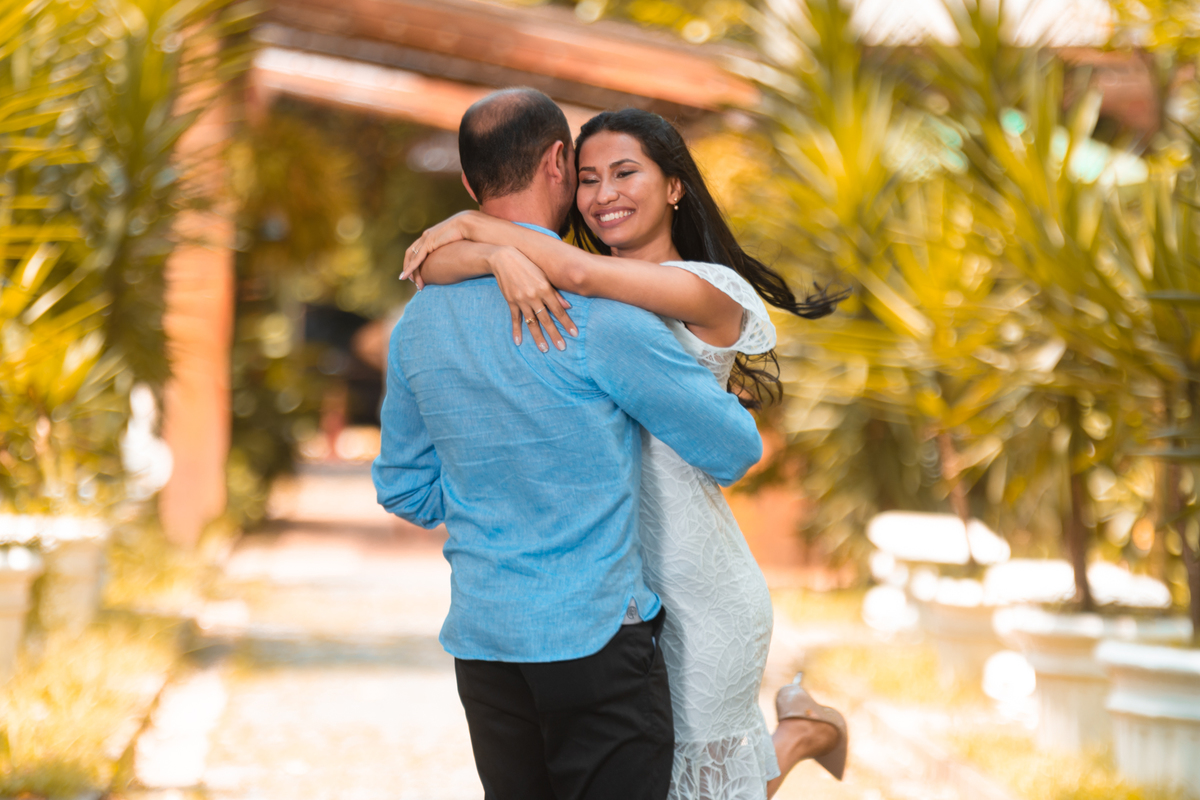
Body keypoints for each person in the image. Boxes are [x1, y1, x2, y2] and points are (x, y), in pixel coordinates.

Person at [403, 106, 850, 800]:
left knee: (698, 788)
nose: (604, 193)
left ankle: (801, 735)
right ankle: (800, 731)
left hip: (696, 582)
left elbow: (575, 275)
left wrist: (481, 234)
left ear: (675, 186)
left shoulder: (698, 288)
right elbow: (433, 271)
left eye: (624, 173)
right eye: (587, 178)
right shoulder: (566, 277)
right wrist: (491, 252)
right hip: (609, 588)